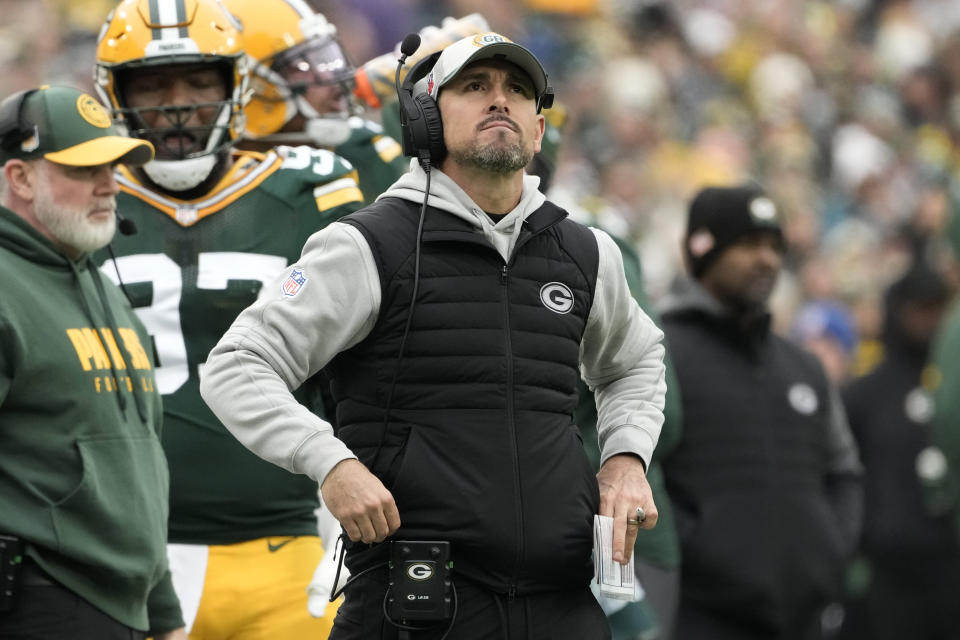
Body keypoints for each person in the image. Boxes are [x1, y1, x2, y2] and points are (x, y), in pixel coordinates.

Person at [200, 32, 667, 639]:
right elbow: (237, 364)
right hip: (417, 607)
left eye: (516, 91)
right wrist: (330, 464)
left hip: (563, 603)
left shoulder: (585, 252)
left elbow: (635, 360)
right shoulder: (366, 246)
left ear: (539, 129)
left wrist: (627, 459)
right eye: (475, 87)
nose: (499, 101)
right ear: (423, 118)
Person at [92, 0, 364, 637]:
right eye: (152, 84)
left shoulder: (312, 189)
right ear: (113, 93)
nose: (178, 104)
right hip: (125, 553)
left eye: (198, 81)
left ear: (235, 86)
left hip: (290, 544)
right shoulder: (83, 194)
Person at [0, 85, 185, 639]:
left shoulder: (101, 284)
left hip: (120, 603)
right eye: (85, 169)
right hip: (39, 596)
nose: (109, 185)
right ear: (21, 178)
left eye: (114, 165)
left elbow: (141, 460)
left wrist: (165, 610)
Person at [658, 185, 863, 640]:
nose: (767, 260)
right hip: (701, 617)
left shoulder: (803, 366)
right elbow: (639, 472)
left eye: (775, 247)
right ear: (703, 249)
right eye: (749, 245)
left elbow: (843, 471)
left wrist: (829, 551)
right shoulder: (657, 350)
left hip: (804, 619)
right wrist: (704, 550)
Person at [838, 258, 960, 640]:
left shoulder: (952, 387)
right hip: (886, 574)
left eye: (939, 309)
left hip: (950, 566)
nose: (930, 320)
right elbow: (842, 477)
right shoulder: (864, 394)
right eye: (920, 309)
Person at [225, 0, 407, 203]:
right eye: (301, 67)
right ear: (248, 87)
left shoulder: (364, 149)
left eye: (323, 57)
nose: (335, 85)